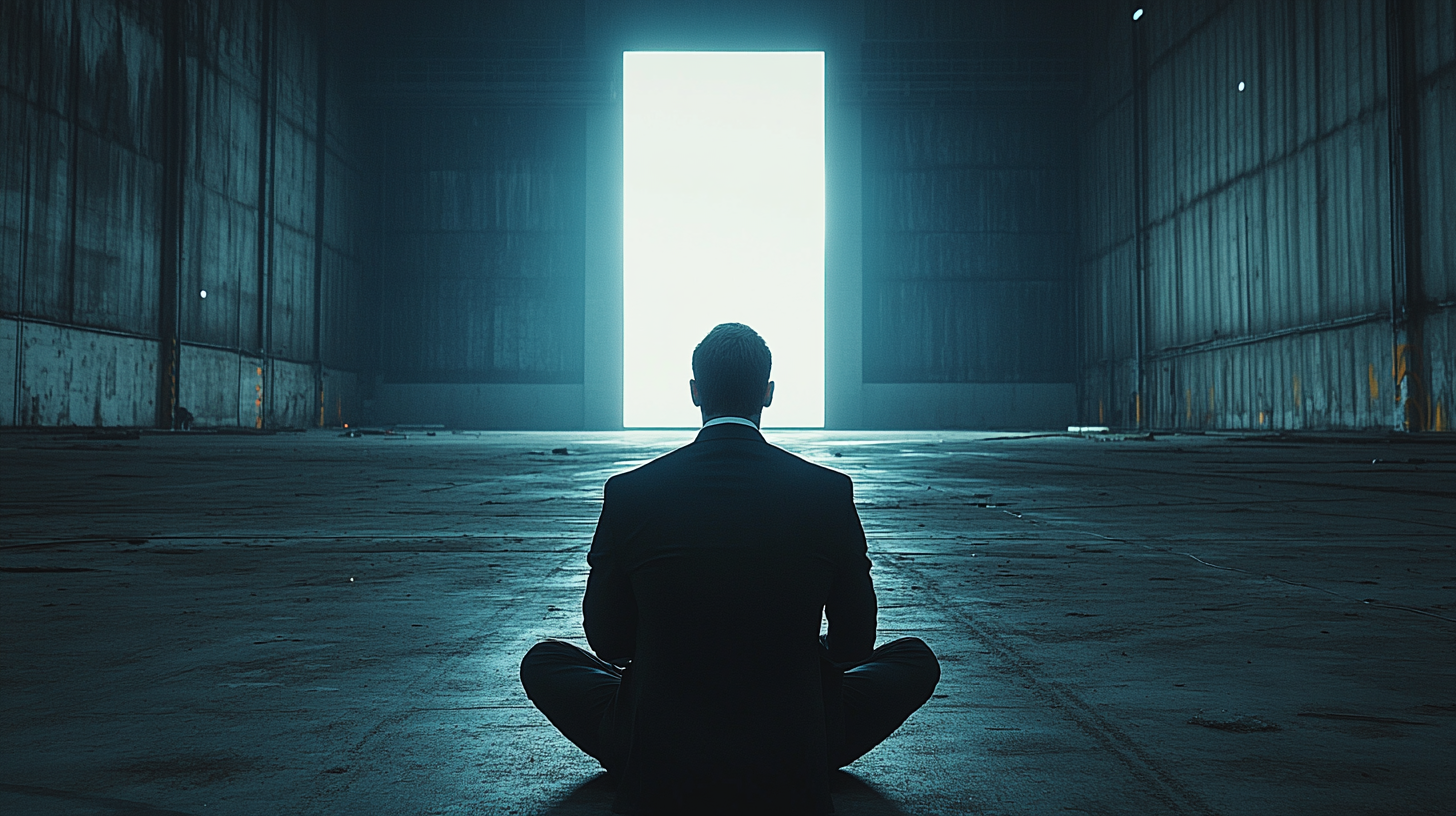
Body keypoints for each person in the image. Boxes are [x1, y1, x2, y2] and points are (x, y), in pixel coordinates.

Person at [520, 322, 939, 815]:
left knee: (544, 661)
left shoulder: (630, 492)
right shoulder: (827, 492)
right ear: (769, 394)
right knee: (913, 658)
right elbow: (854, 645)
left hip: (658, 747)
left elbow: (609, 644)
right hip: (795, 747)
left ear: (695, 393)